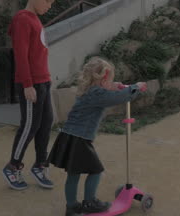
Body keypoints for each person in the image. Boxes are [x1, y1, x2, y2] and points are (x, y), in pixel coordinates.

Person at [48, 57, 147, 215]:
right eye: (110, 79)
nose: (111, 82)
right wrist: (136, 87)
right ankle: (90, 203)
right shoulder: (98, 94)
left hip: (68, 136)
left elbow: (110, 90)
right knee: (96, 170)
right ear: (104, 78)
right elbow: (119, 97)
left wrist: (116, 86)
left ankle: (72, 207)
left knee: (74, 174)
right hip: (79, 139)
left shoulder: (89, 90)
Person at [2, 0, 59, 190]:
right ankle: (13, 167)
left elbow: (38, 54)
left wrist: (46, 80)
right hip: (31, 84)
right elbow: (21, 55)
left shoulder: (36, 20)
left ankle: (40, 165)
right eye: (47, 0)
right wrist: (27, 84)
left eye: (51, 2)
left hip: (43, 82)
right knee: (30, 126)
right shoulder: (22, 19)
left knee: (45, 123)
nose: (49, 6)